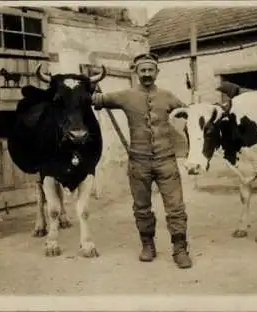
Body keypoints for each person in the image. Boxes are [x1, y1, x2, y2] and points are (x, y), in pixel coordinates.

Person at [92, 52, 192, 269]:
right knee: (141, 207)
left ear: (157, 71)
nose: (147, 74)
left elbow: (188, 115)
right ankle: (147, 245)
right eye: (142, 70)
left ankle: (180, 249)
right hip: (139, 162)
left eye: (150, 70)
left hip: (167, 161)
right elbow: (97, 100)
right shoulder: (126, 95)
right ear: (136, 72)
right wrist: (87, 88)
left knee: (176, 207)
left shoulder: (168, 97)